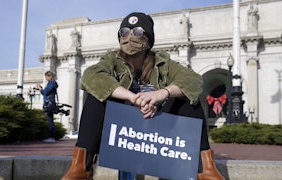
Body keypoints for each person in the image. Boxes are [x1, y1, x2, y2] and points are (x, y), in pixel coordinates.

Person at [61, 12, 224, 180]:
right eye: (124, 32)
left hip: (158, 127)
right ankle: (81, 167)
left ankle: (204, 168)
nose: (129, 36)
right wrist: (133, 98)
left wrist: (161, 94)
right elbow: (91, 76)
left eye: (137, 32)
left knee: (189, 97)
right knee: (96, 96)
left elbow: (193, 80)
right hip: (122, 131)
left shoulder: (163, 63)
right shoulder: (112, 60)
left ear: (148, 40)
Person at [37, 71, 58, 143]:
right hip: (50, 103)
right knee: (50, 120)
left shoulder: (51, 83)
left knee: (50, 121)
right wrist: (41, 89)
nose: (45, 78)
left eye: (46, 76)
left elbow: (45, 92)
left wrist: (40, 88)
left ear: (50, 76)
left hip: (49, 104)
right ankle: (52, 137)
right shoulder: (53, 83)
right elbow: (46, 93)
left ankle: (52, 137)